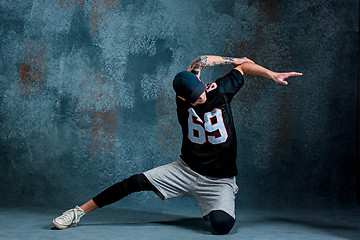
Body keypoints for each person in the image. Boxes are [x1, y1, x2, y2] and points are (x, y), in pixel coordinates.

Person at [52, 55, 302, 235]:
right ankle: (77, 212)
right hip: (184, 170)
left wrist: (267, 73)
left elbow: (216, 63)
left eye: (201, 91)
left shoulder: (219, 90)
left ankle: (211, 203)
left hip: (219, 180)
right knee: (134, 182)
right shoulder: (183, 100)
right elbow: (197, 65)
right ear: (182, 98)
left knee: (222, 226)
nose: (201, 97)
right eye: (195, 98)